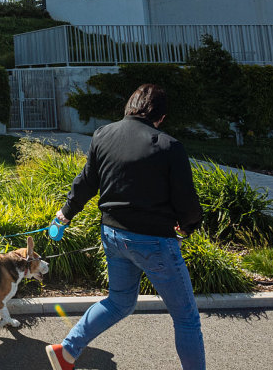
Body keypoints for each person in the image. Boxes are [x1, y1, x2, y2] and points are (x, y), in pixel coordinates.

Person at [44, 84, 205, 370]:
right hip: (154, 241)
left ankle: (66, 352)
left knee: (119, 301)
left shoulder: (103, 135)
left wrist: (64, 215)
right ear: (162, 116)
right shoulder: (169, 146)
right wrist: (189, 227)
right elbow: (187, 203)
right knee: (186, 318)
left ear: (129, 105)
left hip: (113, 235)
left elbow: (85, 184)